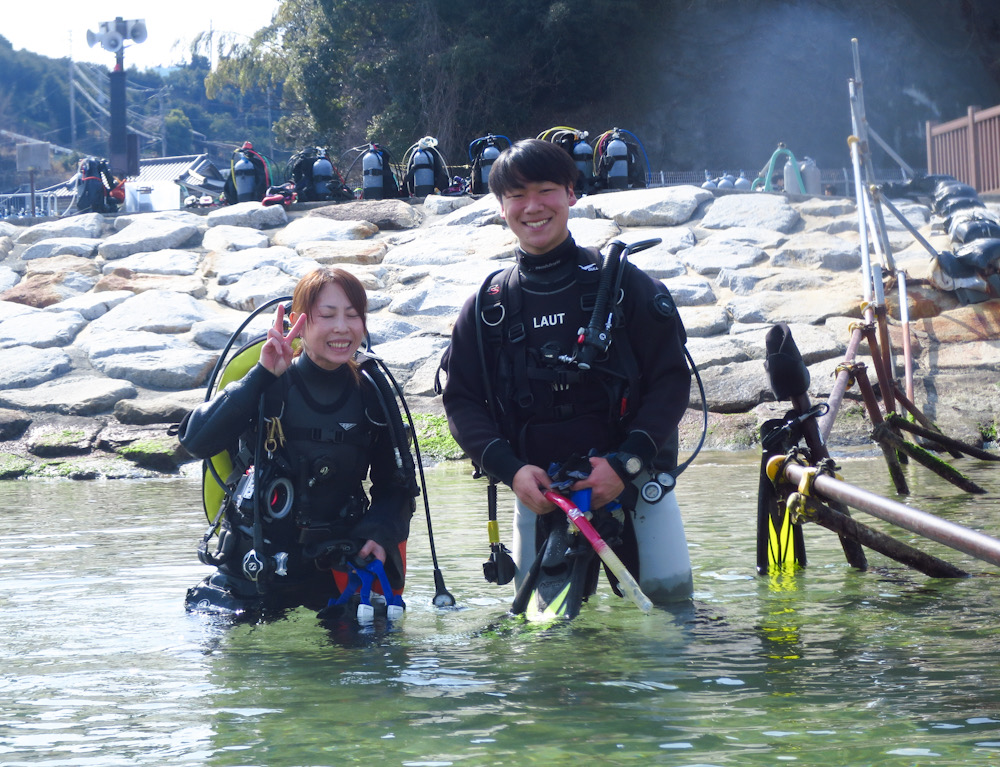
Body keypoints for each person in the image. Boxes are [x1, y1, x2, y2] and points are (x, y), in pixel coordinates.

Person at [441, 138, 693, 609]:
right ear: (500, 207)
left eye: (546, 190)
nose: (532, 207)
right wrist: (512, 472)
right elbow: (461, 401)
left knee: (672, 624)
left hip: (636, 486)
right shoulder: (487, 307)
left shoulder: (624, 287)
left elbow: (671, 380)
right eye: (516, 195)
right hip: (537, 494)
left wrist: (625, 464)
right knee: (545, 655)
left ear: (572, 194)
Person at [179, 267, 416, 618]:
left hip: (332, 573)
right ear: (297, 323)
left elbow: (397, 485)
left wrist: (379, 532)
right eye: (327, 315)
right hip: (251, 572)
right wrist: (260, 377)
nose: (342, 327)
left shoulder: (371, 392)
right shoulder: (268, 382)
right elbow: (197, 441)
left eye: (353, 315)